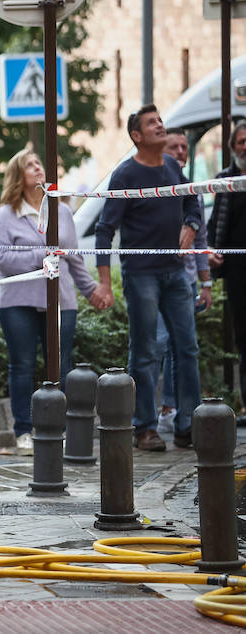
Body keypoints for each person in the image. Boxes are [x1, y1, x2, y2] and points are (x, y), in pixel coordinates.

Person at [94, 104, 202, 451]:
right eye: (151, 123)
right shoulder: (124, 176)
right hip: (141, 274)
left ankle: (189, 424)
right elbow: (103, 230)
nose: (160, 126)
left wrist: (192, 224)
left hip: (175, 273)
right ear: (136, 137)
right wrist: (105, 282)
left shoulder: (172, 166)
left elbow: (192, 201)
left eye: (160, 121)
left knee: (187, 348)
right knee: (146, 351)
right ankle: (144, 428)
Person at [0, 149, 103, 456]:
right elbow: (0, 258)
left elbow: (74, 258)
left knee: (60, 367)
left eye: (39, 162)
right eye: (30, 165)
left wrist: (92, 290)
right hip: (18, 303)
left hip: (61, 300)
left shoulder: (62, 211)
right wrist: (40, 256)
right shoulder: (6, 214)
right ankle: (23, 432)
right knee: (22, 366)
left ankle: (57, 429)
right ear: (18, 176)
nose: (38, 167)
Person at [154, 129, 212, 433]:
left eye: (182, 147)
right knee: (157, 343)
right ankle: (153, 416)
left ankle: (180, 415)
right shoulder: (153, 184)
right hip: (153, 278)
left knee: (183, 348)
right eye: (172, 146)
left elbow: (200, 237)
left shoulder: (193, 188)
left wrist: (206, 283)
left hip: (186, 281)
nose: (179, 151)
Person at [208, 121, 246, 426]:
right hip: (238, 273)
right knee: (243, 338)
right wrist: (212, 253)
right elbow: (214, 226)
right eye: (241, 141)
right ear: (233, 147)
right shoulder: (225, 180)